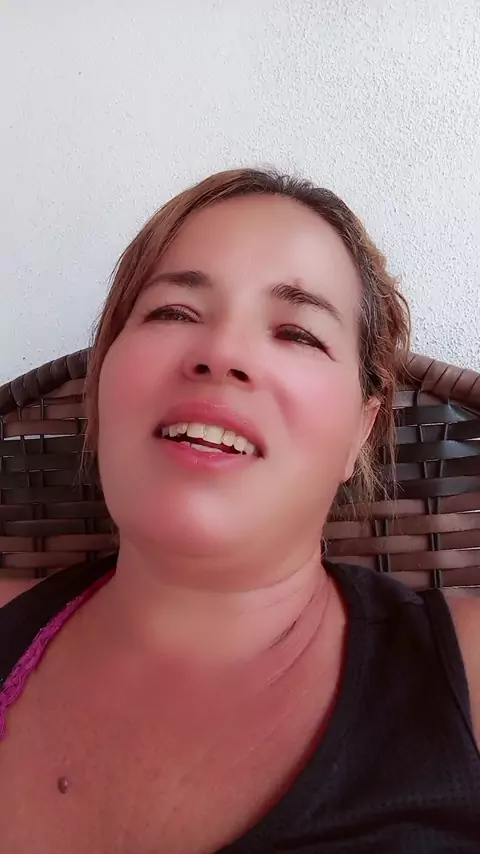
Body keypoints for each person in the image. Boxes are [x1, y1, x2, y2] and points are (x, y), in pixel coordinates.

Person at [0, 168, 479, 853]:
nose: (222, 353)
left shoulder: (467, 672)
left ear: (360, 430)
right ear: (102, 381)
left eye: (299, 333)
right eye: (173, 312)